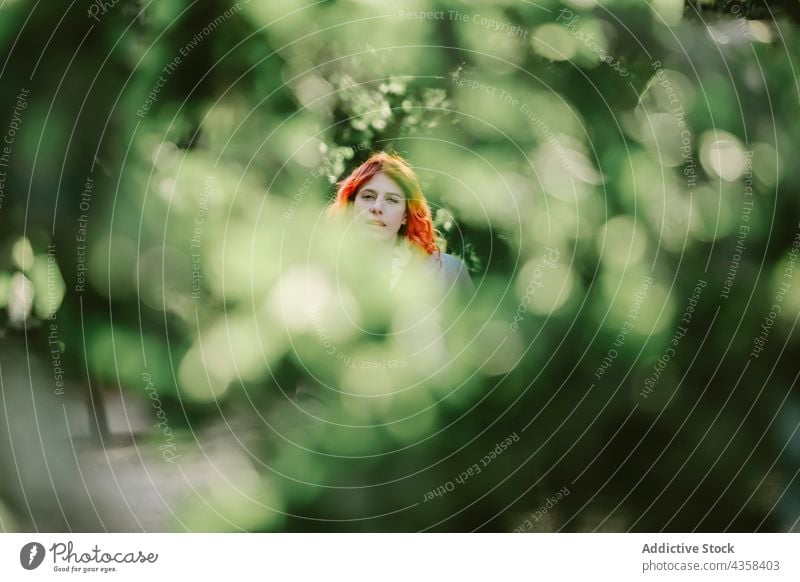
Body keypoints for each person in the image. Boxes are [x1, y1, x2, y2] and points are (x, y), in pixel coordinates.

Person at [326, 151, 474, 299]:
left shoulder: (448, 271)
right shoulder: (322, 270)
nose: (377, 207)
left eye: (391, 200)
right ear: (351, 205)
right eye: (368, 196)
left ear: (405, 215)